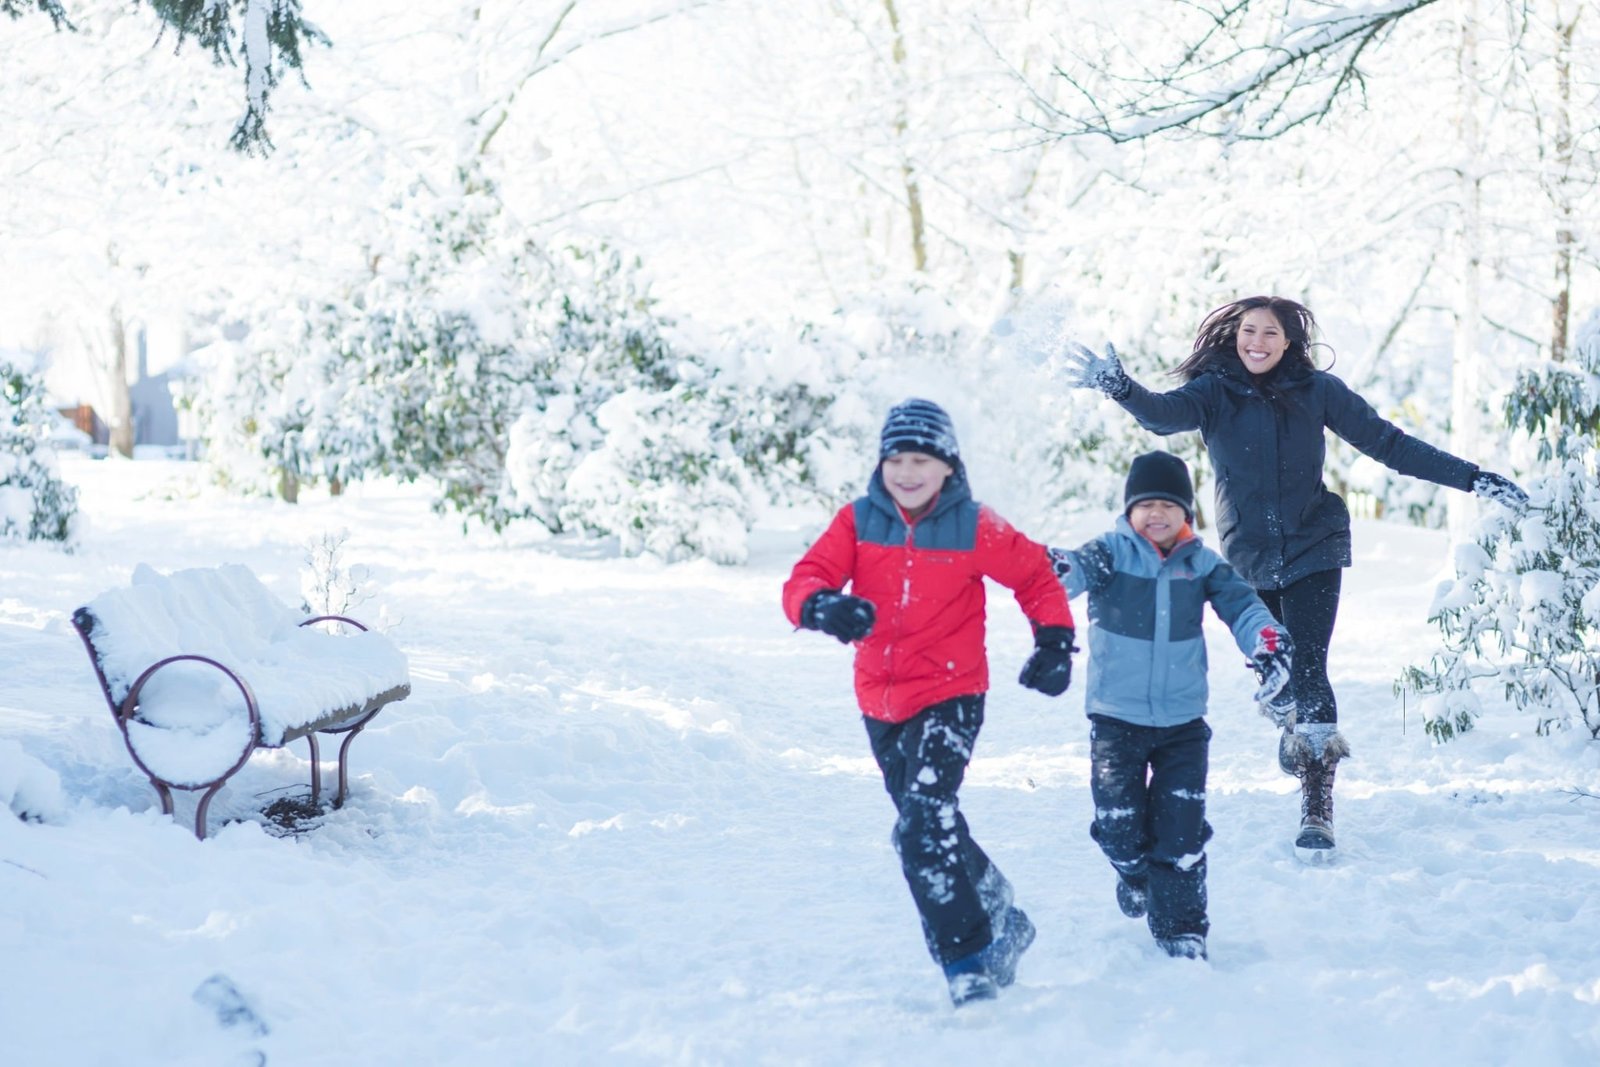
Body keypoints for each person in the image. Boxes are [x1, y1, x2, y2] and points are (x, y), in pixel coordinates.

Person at [1058, 295, 1529, 859]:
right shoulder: (1214, 393)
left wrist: (1473, 478)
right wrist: (1120, 386)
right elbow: (1163, 415)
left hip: (1314, 545)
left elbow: (1389, 444)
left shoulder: (1318, 392)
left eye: (1270, 334)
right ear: (1235, 336)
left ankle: (1317, 801)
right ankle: (1289, 718)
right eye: (1248, 331)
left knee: (1308, 664)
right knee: (1277, 669)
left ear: (1289, 343)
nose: (1256, 342)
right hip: (1248, 558)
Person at [782, 397, 1078, 1007]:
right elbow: (805, 577)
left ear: (947, 466)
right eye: (896, 459)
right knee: (926, 825)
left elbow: (1035, 576)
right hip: (880, 703)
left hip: (952, 694)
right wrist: (822, 606)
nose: (907, 472)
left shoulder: (974, 523)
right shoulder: (858, 520)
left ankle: (967, 961)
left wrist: (1054, 640)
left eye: (921, 459)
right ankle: (996, 901)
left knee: (921, 824)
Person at [1049, 450, 1292, 960]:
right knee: (1118, 825)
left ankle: (1181, 928)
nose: (1156, 514)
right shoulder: (1110, 553)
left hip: (1183, 723)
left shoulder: (1201, 565)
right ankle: (1133, 872)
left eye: (1168, 505)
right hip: (1116, 719)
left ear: (1186, 513)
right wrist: (1049, 568)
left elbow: (1244, 608)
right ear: (1129, 510)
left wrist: (1267, 642)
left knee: (1180, 832)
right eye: (1145, 505)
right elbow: (1063, 575)